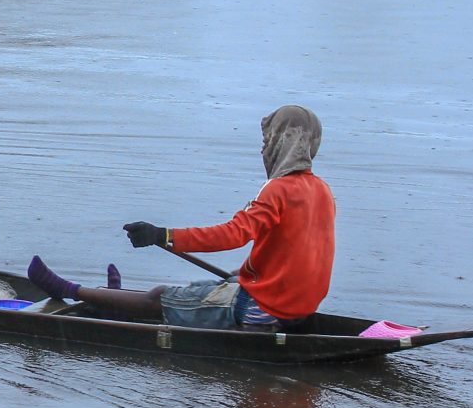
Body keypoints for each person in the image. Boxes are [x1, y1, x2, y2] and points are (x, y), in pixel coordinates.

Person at [24, 105, 336, 330]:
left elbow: (233, 234)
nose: (264, 148)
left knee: (159, 297)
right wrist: (244, 274)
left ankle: (68, 290)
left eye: (267, 141)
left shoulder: (277, 190)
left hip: (264, 310)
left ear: (282, 143)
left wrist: (162, 235)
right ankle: (112, 300)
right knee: (208, 285)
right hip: (300, 308)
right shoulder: (322, 191)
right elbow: (298, 257)